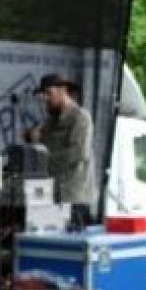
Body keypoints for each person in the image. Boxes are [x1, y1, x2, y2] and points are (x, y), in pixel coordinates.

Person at [28, 73, 95, 222]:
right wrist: (35, 139)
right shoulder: (50, 121)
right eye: (43, 95)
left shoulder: (80, 117)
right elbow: (43, 146)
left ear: (63, 90)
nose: (45, 99)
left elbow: (78, 153)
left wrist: (45, 160)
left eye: (49, 93)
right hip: (52, 195)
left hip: (74, 199)